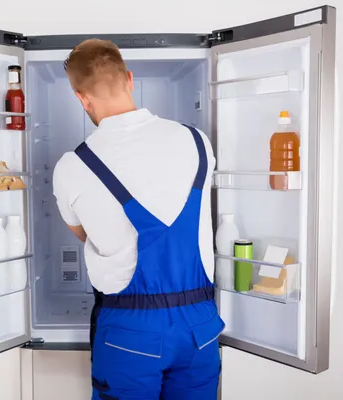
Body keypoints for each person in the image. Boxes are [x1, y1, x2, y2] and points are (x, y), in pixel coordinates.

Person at [53, 39, 224, 400]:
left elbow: (86, 233)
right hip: (199, 326)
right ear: (129, 79)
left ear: (82, 99)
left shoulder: (74, 166)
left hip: (131, 331)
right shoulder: (197, 142)